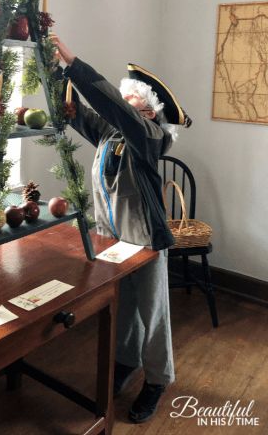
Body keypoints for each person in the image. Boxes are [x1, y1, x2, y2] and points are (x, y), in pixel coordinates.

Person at [50, 34, 192, 424]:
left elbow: (112, 106)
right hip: (113, 240)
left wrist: (74, 62)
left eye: (129, 101)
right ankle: (127, 362)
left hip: (146, 240)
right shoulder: (111, 133)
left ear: (146, 113)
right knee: (125, 306)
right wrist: (53, 70)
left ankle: (158, 378)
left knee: (153, 310)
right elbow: (75, 112)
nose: (122, 105)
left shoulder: (151, 137)